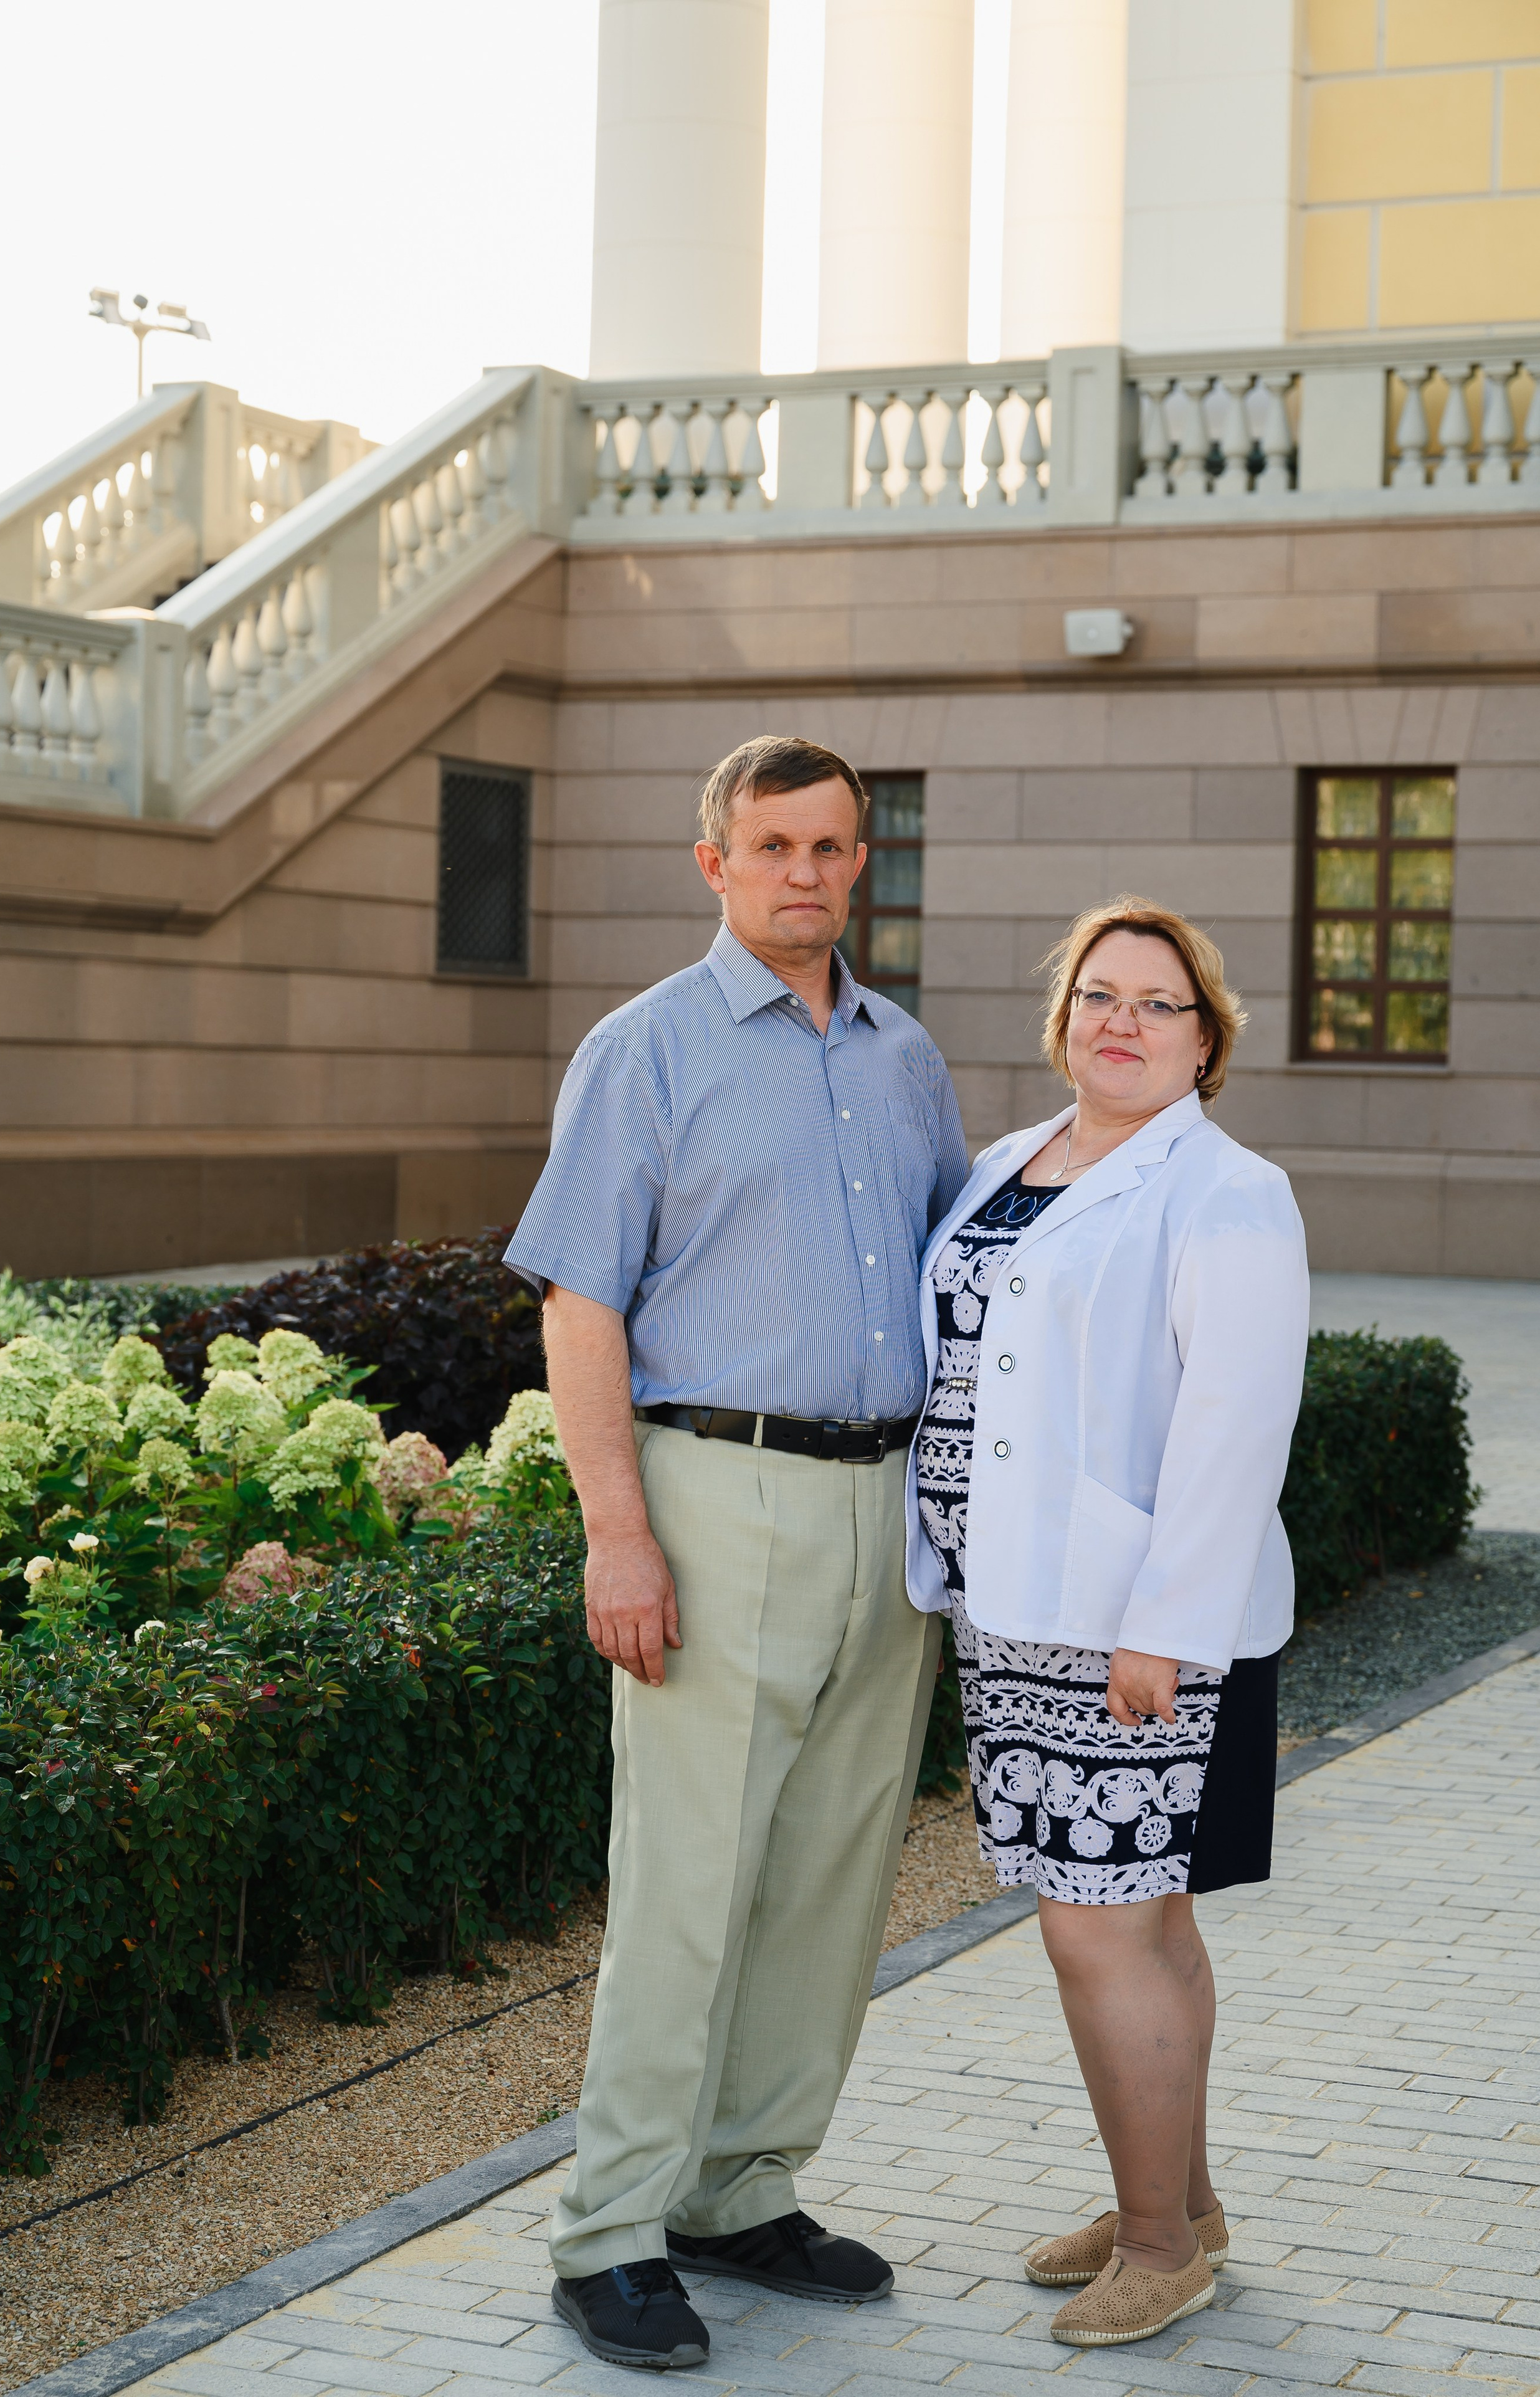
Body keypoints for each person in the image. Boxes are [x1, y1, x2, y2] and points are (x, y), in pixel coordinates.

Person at [505, 734, 968, 2371]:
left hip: (880, 1507)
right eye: (773, 845)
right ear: (715, 863)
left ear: (863, 865)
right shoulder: (647, 1051)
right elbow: (582, 1303)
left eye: (833, 847)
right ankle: (610, 2231)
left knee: (833, 1878)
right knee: (688, 1888)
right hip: (718, 1497)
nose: (805, 873)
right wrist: (616, 1537)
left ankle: (741, 2189)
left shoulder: (910, 1059)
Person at [905, 895, 1308, 2350]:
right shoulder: (1010, 1162)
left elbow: (1234, 1422)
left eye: (1156, 1002)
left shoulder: (1225, 1190)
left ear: (1206, 1041)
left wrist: (1164, 1623)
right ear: (1061, 1014)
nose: (1120, 1021)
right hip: (1007, 1607)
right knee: (1141, 1924)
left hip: (1119, 1629)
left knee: (1098, 1937)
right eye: (1097, 994)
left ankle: (1155, 2248)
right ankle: (1175, 2199)